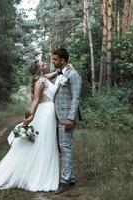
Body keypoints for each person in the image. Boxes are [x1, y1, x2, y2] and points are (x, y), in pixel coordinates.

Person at [0, 60, 60, 192]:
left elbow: (53, 74)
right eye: (43, 64)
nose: (45, 64)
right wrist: (30, 116)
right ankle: (39, 175)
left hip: (48, 113)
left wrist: (62, 70)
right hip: (45, 114)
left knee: (45, 143)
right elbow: (35, 100)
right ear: (38, 69)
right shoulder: (39, 82)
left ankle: (41, 171)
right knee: (42, 143)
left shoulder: (44, 77)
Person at [52, 48, 82, 194]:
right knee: (62, 148)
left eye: (55, 59)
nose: (53, 61)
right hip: (57, 116)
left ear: (63, 60)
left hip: (66, 118)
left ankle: (65, 181)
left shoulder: (74, 75)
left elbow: (76, 98)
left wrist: (71, 118)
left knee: (65, 148)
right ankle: (70, 178)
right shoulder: (61, 74)